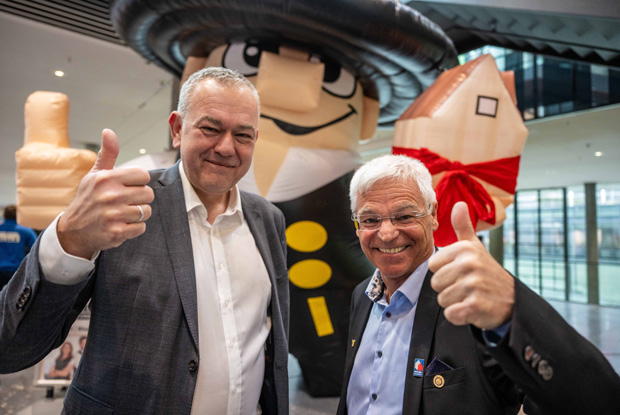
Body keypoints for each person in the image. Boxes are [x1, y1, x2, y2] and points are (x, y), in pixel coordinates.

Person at [0, 67, 289, 415]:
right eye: (211, 129)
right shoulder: (125, 204)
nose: (227, 147)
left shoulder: (268, 219)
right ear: (177, 129)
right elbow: (11, 349)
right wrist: (70, 239)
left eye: (242, 135)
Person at [337, 154, 620, 415]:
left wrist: (514, 309)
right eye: (370, 219)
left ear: (433, 215)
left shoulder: (475, 302)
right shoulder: (362, 296)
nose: (387, 234)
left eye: (405, 216)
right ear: (357, 226)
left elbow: (593, 400)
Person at [0, 205, 38, 290]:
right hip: (16, 269)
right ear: (18, 215)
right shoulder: (26, 231)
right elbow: (36, 248)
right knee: (15, 295)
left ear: (4, 216)